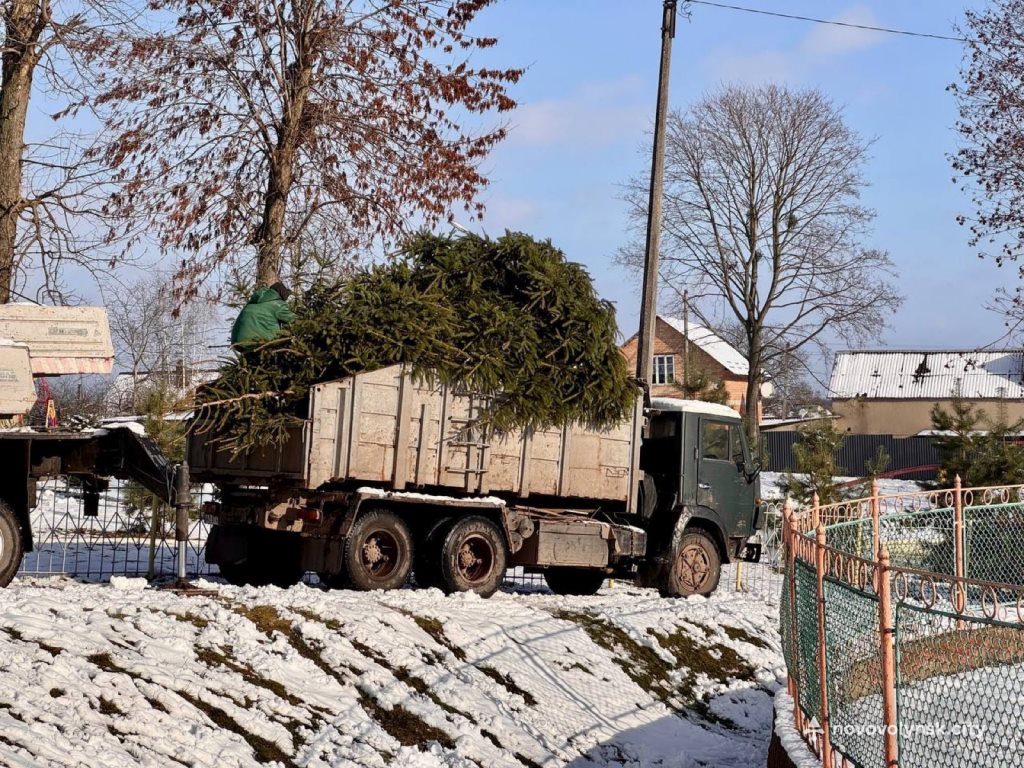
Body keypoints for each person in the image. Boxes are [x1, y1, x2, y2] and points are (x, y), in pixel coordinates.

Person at [230, 281, 295, 346]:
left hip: (236, 341)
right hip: (257, 340)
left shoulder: (254, 300)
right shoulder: (278, 304)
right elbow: (293, 319)